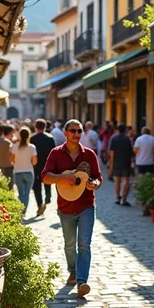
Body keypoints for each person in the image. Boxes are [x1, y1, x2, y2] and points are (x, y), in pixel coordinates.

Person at [42, 119, 102, 297]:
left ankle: (82, 281)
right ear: (66, 133)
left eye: (79, 131)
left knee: (84, 244)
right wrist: (61, 178)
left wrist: (95, 184)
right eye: (73, 131)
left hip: (86, 205)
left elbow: (98, 177)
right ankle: (72, 271)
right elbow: (45, 177)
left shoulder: (89, 154)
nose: (76, 134)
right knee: (69, 245)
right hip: (65, 206)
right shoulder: (56, 153)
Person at [31, 118, 56, 216]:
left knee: (36, 186)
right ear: (45, 127)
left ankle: (39, 204)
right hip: (47, 165)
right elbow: (54, 153)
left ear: (35, 127)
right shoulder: (50, 138)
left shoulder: (32, 138)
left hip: (36, 166)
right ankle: (48, 198)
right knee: (47, 182)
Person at [11, 126, 37, 216]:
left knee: (21, 193)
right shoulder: (32, 147)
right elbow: (34, 162)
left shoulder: (14, 146)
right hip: (29, 172)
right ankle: (23, 210)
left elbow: (12, 160)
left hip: (18, 172)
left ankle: (21, 209)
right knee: (26, 193)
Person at [108, 124, 134, 206]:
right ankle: (124, 198)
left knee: (117, 180)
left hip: (116, 161)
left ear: (118, 129)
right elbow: (131, 151)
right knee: (126, 180)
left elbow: (111, 152)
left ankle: (117, 197)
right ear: (125, 130)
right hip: (126, 161)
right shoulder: (127, 139)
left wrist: (111, 164)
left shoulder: (114, 138)